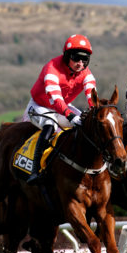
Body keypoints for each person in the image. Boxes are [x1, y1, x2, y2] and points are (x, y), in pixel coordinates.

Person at [23, 34, 97, 185]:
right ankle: (34, 170)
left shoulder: (86, 73)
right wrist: (70, 116)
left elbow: (91, 94)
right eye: (76, 58)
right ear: (67, 56)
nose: (80, 63)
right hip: (39, 106)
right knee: (50, 126)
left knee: (87, 124)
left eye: (84, 60)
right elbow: (56, 99)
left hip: (61, 108)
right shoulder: (52, 68)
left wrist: (94, 111)